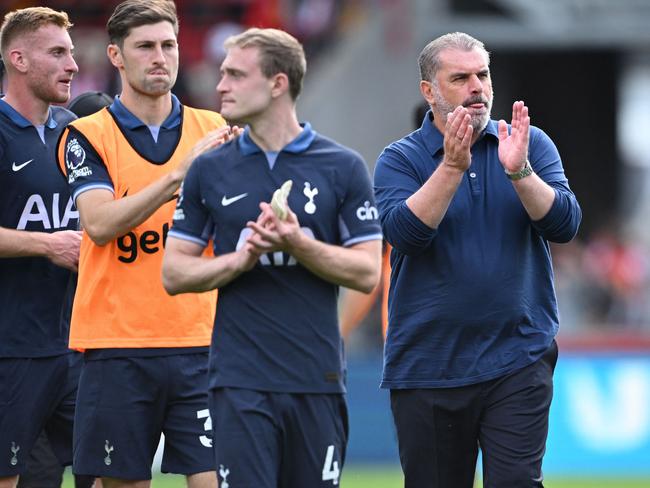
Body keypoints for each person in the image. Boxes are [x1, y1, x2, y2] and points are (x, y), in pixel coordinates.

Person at [162, 27, 383, 488]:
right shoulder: (210, 167)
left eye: (235, 75)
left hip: (315, 377)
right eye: (223, 74)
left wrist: (298, 244)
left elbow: (366, 272)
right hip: (238, 380)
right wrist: (237, 261)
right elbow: (174, 271)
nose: (220, 85)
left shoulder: (341, 166)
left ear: (278, 83)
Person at [373, 32, 582, 488]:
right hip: (429, 366)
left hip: (518, 356)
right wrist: (451, 166)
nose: (477, 87)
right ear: (429, 91)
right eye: (461, 77)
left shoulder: (528, 144)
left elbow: (565, 225)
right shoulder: (400, 159)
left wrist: (519, 172)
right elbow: (404, 236)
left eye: (483, 75)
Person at [56, 0, 231, 485]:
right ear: (115, 55)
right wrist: (178, 176)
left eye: (169, 45)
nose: (160, 57)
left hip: (203, 342)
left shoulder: (214, 129)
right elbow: (99, 223)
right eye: (146, 46)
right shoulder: (85, 134)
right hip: (117, 346)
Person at [0, 7, 85, 488]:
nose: (72, 64)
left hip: (77, 345)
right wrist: (46, 245)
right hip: (12, 347)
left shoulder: (72, 131)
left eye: (71, 52)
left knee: (108, 469)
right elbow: (55, 239)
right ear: (19, 59)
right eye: (57, 52)